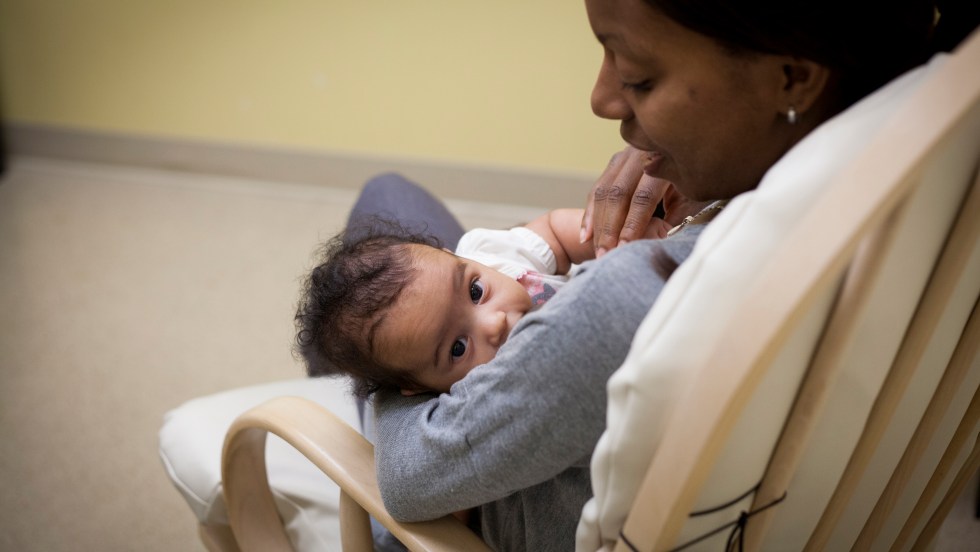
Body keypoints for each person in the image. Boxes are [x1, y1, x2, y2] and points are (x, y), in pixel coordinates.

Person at [355, 2, 959, 550]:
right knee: (396, 242)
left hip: (493, 518)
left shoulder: (622, 303)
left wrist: (396, 366)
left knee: (379, 241)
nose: (602, 98)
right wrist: (712, 182)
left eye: (638, 75)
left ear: (793, 77)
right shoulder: (926, 179)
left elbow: (409, 479)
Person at [295, 206, 615, 397]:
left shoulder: (489, 254)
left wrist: (613, 239)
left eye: (476, 292)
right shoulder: (472, 406)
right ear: (421, 390)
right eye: (457, 349)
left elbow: (555, 232)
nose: (495, 323)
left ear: (455, 257)